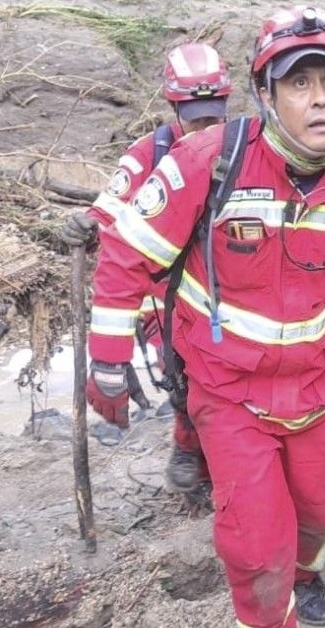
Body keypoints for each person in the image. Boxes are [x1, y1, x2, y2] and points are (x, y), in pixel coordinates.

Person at [85, 6, 325, 628]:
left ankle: (306, 575)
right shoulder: (208, 163)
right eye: (300, 84)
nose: (320, 101)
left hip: (319, 388)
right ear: (265, 94)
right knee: (254, 543)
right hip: (229, 392)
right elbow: (125, 256)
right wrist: (108, 362)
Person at [59, 41, 232, 493]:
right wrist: (88, 225)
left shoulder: (242, 150)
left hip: (228, 289)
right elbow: (112, 208)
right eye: (195, 117)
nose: (205, 125)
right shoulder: (150, 154)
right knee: (181, 382)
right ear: (174, 107)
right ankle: (190, 447)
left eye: (214, 115)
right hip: (166, 297)